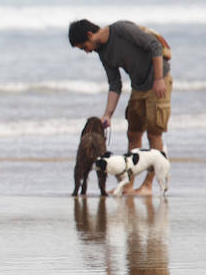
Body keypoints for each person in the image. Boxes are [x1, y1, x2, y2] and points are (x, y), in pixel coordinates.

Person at [69, 18, 172, 195]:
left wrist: (158, 79)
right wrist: (107, 114)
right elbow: (115, 83)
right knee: (133, 133)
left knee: (154, 132)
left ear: (90, 34)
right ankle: (128, 185)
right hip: (138, 86)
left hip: (158, 82)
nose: (87, 52)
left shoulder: (121, 30)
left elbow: (154, 46)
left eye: (84, 47)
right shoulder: (102, 52)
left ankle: (148, 185)